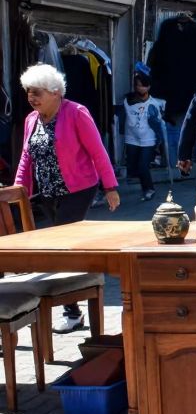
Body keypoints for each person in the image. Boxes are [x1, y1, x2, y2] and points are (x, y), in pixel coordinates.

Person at [14, 64, 120, 332]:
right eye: (28, 92)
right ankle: (78, 300)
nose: (31, 97)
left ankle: (73, 312)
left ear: (55, 92)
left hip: (78, 189)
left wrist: (110, 187)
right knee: (63, 247)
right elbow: (27, 158)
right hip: (47, 193)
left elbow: (98, 151)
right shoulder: (31, 119)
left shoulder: (76, 113)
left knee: (62, 248)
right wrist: (18, 190)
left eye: (37, 92)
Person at [120, 73, 163, 201]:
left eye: (143, 86)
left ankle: (149, 189)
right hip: (131, 138)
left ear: (148, 87)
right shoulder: (127, 100)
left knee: (143, 166)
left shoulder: (154, 104)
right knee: (132, 165)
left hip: (148, 139)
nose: (140, 88)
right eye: (137, 85)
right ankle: (144, 187)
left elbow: (158, 124)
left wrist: (158, 143)